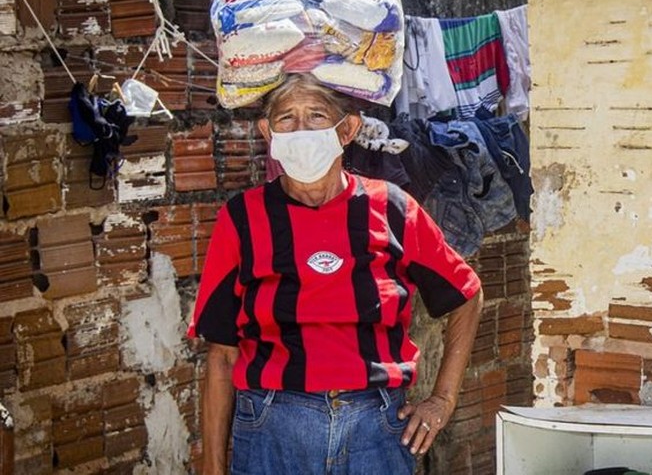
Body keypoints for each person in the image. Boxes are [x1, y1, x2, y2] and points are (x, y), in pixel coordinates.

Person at [188, 73, 484, 474]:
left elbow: (466, 294)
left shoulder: (393, 208)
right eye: (286, 118)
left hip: (375, 430)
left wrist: (442, 401)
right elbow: (222, 355)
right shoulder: (241, 219)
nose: (301, 130)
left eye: (316, 115)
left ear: (347, 129)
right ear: (267, 131)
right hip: (273, 428)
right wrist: (211, 467)